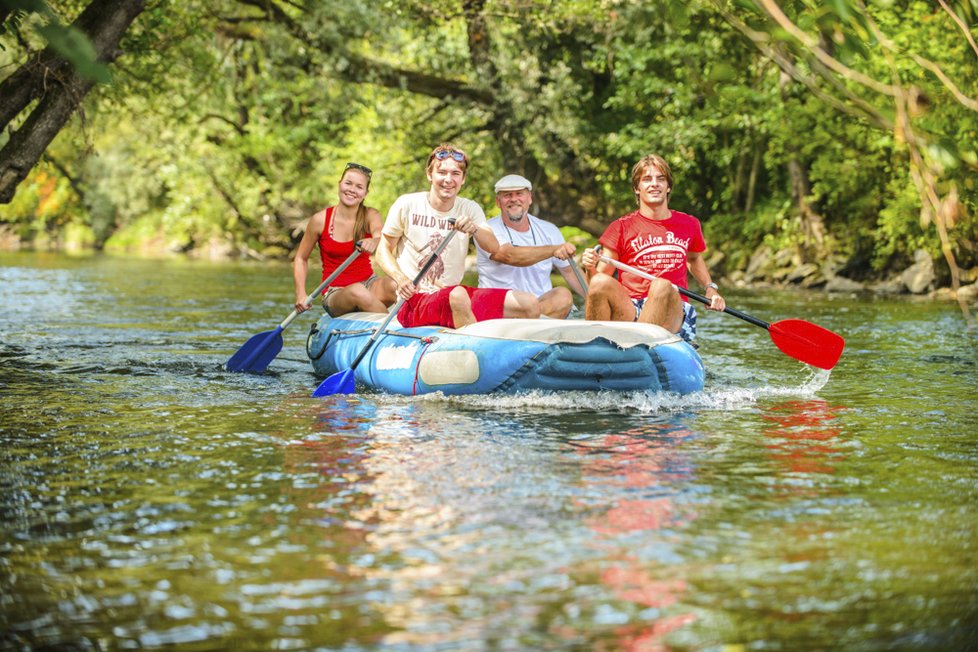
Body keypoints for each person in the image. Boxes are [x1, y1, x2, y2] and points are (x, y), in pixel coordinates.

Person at [375, 143, 541, 328]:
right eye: (442, 172)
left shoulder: (469, 208)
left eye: (455, 174)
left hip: (452, 295)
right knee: (458, 295)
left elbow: (493, 247)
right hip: (414, 301)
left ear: (463, 179)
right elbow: (382, 250)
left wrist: (474, 229)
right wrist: (400, 279)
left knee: (529, 304)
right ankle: (476, 348)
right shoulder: (407, 204)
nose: (448, 179)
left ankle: (512, 353)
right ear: (430, 175)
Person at [581, 153, 725, 342]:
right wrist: (590, 267)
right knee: (600, 282)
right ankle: (594, 348)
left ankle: (635, 347)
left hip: (672, 306)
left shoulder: (689, 223)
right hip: (630, 307)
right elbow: (596, 284)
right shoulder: (621, 227)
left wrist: (710, 288)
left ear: (668, 187)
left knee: (661, 285)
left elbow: (694, 258)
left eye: (661, 179)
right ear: (637, 188)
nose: (654, 184)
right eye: (647, 179)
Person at [475, 174, 586, 319]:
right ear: (498, 201)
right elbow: (510, 255)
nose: (514, 199)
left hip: (542, 310)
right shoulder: (486, 229)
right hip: (502, 310)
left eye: (519, 194)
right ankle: (528, 326)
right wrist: (553, 250)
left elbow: (571, 271)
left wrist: (597, 299)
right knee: (530, 304)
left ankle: (528, 326)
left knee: (563, 296)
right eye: (507, 195)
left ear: (530, 198)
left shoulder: (549, 230)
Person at [292, 162, 396, 317]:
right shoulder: (319, 220)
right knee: (358, 292)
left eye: (359, 187)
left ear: (365, 193)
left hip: (369, 283)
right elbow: (301, 258)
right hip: (336, 293)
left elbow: (379, 235)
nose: (352, 190)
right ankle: (393, 328)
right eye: (348, 183)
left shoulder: (370, 215)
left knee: (395, 285)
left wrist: (374, 241)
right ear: (339, 184)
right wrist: (301, 293)